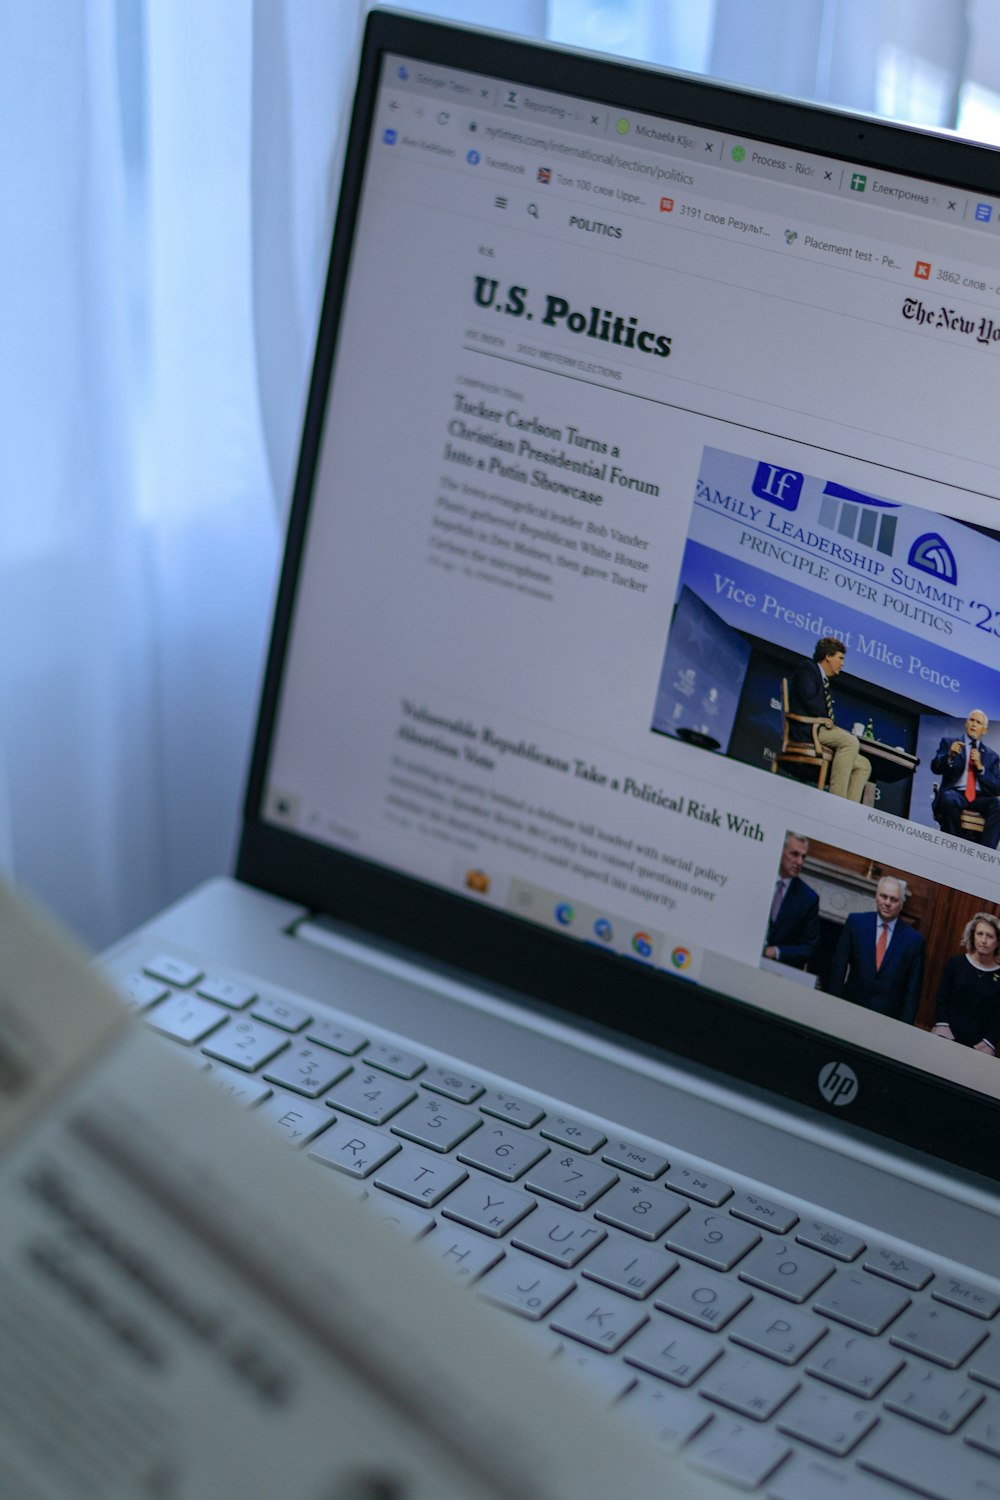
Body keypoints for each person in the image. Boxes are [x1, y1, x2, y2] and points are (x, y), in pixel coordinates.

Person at [827, 875, 924, 1024]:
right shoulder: (856, 923)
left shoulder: (914, 940)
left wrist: (905, 1030)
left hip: (887, 1019)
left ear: (901, 904)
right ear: (876, 896)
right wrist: (831, 1006)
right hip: (850, 1008)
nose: (887, 903)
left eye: (893, 899)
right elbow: (838, 968)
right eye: (883, 896)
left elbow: (912, 992)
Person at [788, 638, 871, 802]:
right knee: (850, 742)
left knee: (864, 765)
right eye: (840, 658)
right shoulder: (808, 669)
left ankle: (848, 810)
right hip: (807, 731)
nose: (843, 664)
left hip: (818, 729)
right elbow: (807, 697)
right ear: (827, 656)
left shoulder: (822, 679)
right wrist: (826, 721)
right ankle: (836, 802)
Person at [931, 912, 1000, 1053]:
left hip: (980, 1048)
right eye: (980, 934)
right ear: (972, 936)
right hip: (946, 1036)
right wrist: (943, 1027)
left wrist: (988, 1043)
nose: (983, 940)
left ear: (997, 942)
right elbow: (942, 998)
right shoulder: (956, 963)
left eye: (990, 936)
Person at [930, 709, 1000, 849]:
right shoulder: (949, 743)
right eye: (971, 720)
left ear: (984, 730)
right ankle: (956, 846)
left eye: (978, 722)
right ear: (966, 723)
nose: (974, 724)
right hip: (956, 793)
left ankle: (986, 853)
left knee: (999, 806)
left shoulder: (991, 756)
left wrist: (981, 768)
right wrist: (949, 756)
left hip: (980, 798)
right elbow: (935, 768)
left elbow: (997, 787)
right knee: (949, 798)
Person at [763, 832, 820, 969]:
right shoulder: (760, 878)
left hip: (778, 969)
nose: (800, 862)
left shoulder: (808, 898)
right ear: (781, 851)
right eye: (794, 854)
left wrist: (776, 952)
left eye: (803, 857)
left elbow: (810, 948)